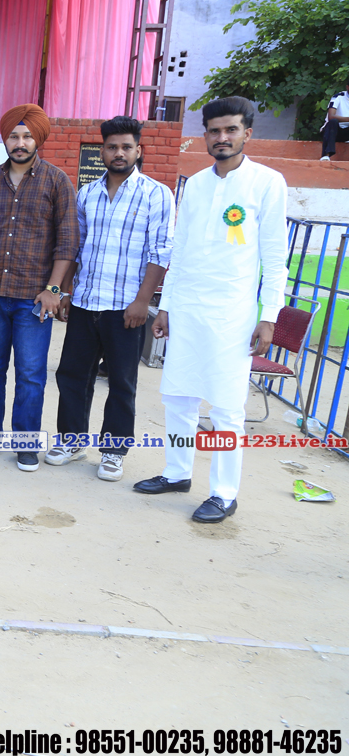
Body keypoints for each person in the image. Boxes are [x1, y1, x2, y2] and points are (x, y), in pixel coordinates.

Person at [134, 97, 288, 523]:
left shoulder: (267, 183)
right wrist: (166, 306)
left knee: (225, 407)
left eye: (231, 130)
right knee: (178, 397)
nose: (222, 137)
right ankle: (177, 472)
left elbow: (276, 258)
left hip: (232, 313)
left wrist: (269, 316)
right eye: (214, 130)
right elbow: (181, 250)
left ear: (247, 134)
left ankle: (223, 493)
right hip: (187, 309)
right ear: (205, 135)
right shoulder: (197, 184)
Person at [46, 116, 174, 481]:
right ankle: (71, 441)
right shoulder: (87, 193)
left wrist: (143, 301)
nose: (119, 153)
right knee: (73, 375)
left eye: (126, 147)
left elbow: (161, 251)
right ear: (101, 151)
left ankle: (114, 451)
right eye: (112, 147)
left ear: (138, 151)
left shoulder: (156, 194)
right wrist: (66, 291)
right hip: (86, 302)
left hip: (126, 307)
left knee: (121, 382)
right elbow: (75, 246)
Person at [0, 103, 77, 471]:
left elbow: (68, 241)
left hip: (35, 298)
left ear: (38, 140)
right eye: (14, 136)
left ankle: (26, 443)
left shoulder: (57, 181)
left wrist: (54, 290)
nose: (20, 143)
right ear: (5, 140)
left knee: (31, 373)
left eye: (27, 137)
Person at [321, 78, 349, 161]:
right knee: (333, 121)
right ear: (347, 87)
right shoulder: (338, 97)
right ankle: (326, 155)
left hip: (346, 133)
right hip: (332, 131)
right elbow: (331, 116)